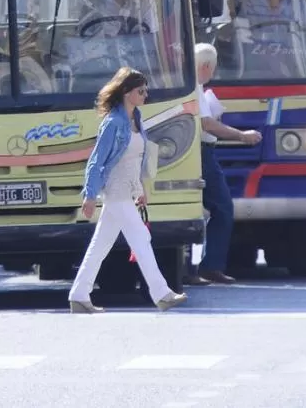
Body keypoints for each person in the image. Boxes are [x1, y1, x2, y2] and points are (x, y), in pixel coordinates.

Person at [67, 67, 188, 313]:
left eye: (146, 90)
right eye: (140, 91)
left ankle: (79, 294)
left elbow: (135, 160)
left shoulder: (137, 118)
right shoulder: (113, 122)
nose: (145, 95)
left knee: (100, 246)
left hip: (126, 190)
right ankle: (161, 293)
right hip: (115, 190)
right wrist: (89, 195)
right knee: (140, 238)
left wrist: (140, 188)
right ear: (126, 92)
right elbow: (97, 160)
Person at [192, 43, 262, 285]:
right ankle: (211, 266)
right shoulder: (195, 88)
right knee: (223, 208)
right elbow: (207, 125)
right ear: (206, 66)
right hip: (202, 153)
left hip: (199, 152)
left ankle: (200, 266)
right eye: (213, 67)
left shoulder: (194, 88)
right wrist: (243, 136)